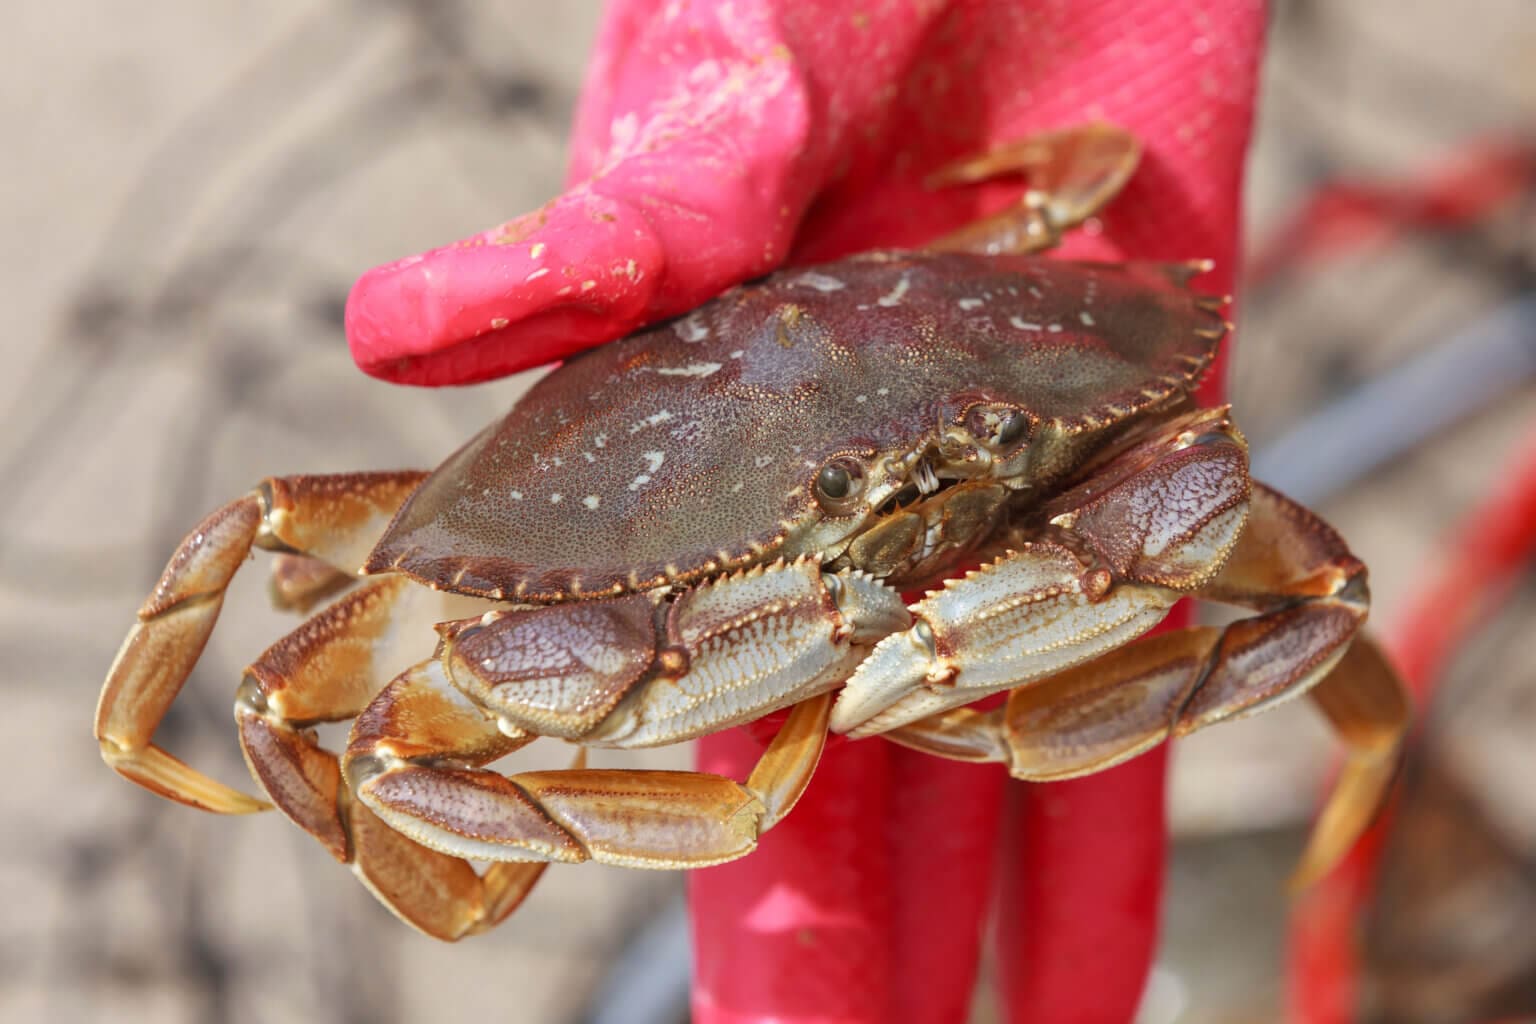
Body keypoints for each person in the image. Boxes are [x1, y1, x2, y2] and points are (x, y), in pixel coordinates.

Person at [345, 3, 1266, 1019]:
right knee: (382, 744)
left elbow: (1234, 505)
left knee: (1299, 567)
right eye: (835, 496)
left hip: (965, 308)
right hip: (694, 608)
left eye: (990, 434)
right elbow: (399, 760)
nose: (912, 513)